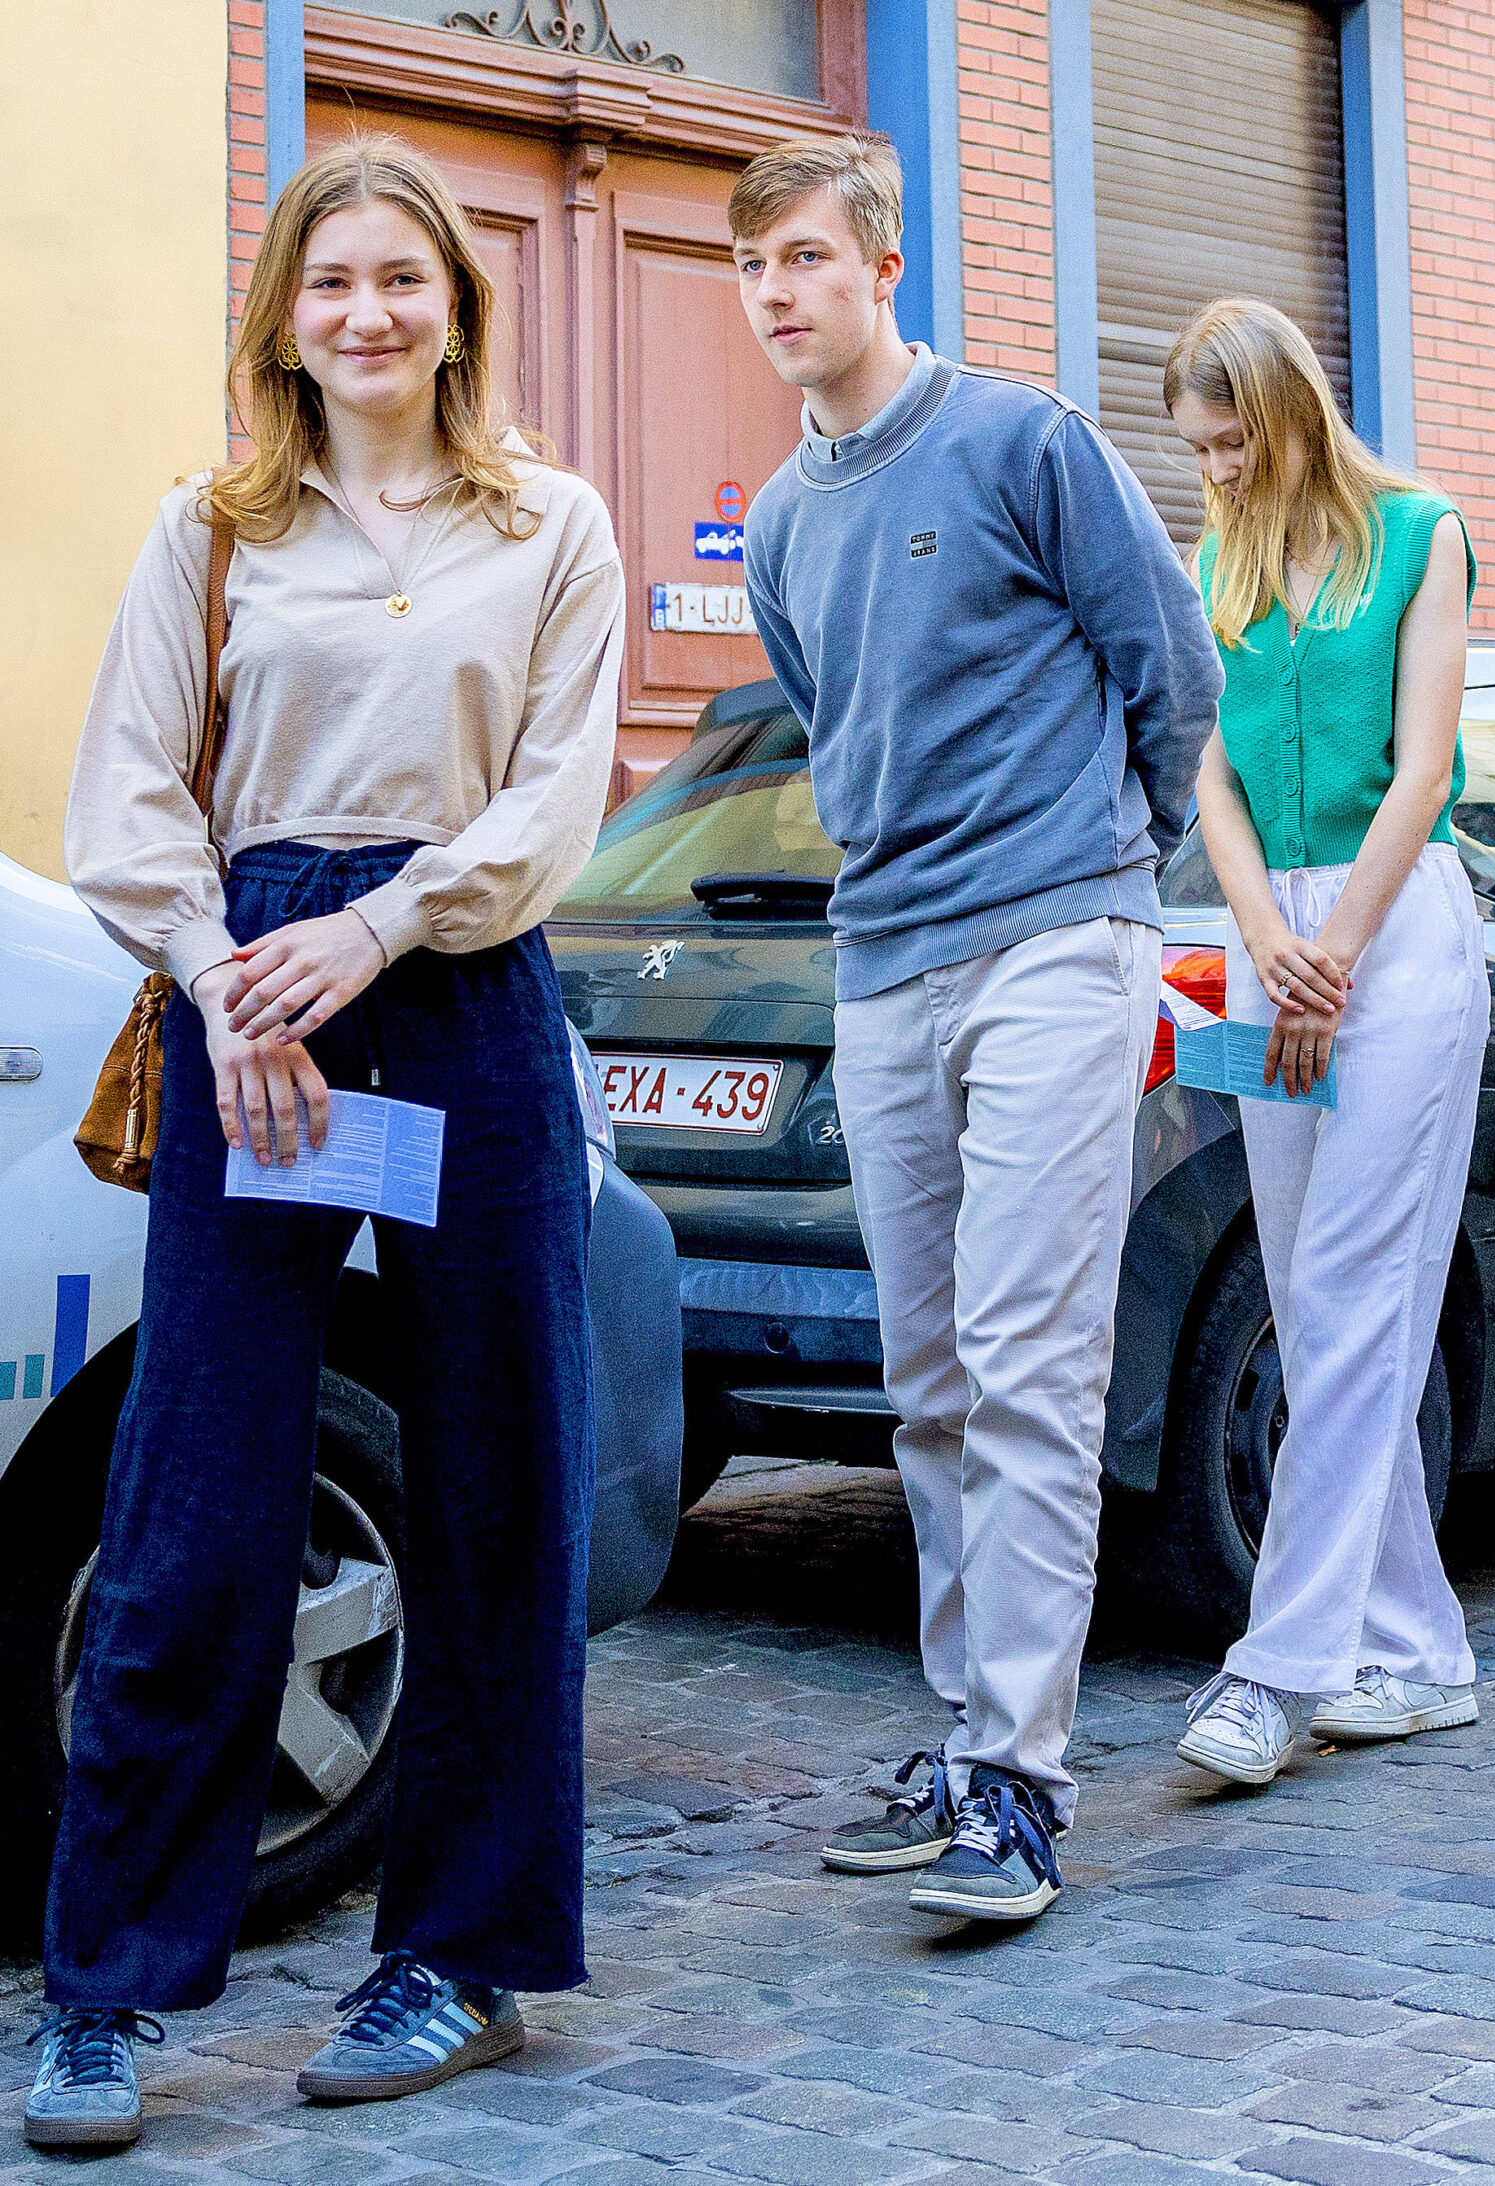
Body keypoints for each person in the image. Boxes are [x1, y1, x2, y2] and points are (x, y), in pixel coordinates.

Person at [29, 138, 622, 2151]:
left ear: (458, 300)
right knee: (196, 1493)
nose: (366, 313)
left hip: (454, 990)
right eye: (327, 282)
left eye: (403, 278)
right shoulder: (213, 529)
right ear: (282, 312)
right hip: (245, 1000)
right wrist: (221, 980)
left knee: (490, 1477)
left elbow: (554, 798)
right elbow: (127, 791)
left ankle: (452, 1953)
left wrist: (378, 929)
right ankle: (102, 1988)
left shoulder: (554, 523)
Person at [731, 134, 1217, 1922]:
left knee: (1026, 1363)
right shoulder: (782, 518)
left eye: (805, 256)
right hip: (881, 964)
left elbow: (1172, 661)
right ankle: (963, 1730)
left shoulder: (1020, 440)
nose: (781, 294)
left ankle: (1019, 1777)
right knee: (925, 1376)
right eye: (754, 267)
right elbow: (824, 717)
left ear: (881, 263)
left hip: (1050, 946)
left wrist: (1114, 873)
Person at [1157, 298, 1486, 1787]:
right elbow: (1206, 775)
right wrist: (1262, 936)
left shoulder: (1421, 533)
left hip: (1396, 924)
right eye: (1199, 451)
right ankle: (1417, 1649)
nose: (1216, 472)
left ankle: (1276, 1661)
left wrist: (1336, 947)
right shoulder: (1215, 555)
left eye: (1234, 443)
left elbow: (1423, 765)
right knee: (1317, 1303)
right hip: (1263, 934)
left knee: (1357, 1289)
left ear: (1292, 415)